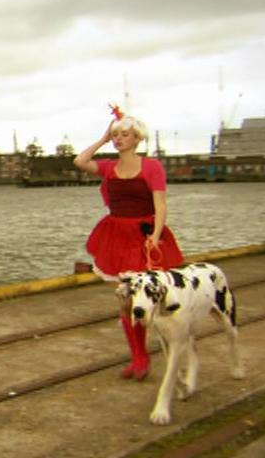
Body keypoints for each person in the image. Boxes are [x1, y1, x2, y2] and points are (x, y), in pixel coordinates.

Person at [73, 105, 184, 381]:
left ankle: (172, 349)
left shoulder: (151, 166)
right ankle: (139, 358)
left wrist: (155, 236)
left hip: (143, 236)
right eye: (116, 135)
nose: (119, 139)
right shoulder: (109, 167)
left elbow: (161, 205)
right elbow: (80, 161)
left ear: (137, 138)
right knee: (125, 300)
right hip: (116, 236)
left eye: (125, 134)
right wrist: (102, 139)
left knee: (145, 299)